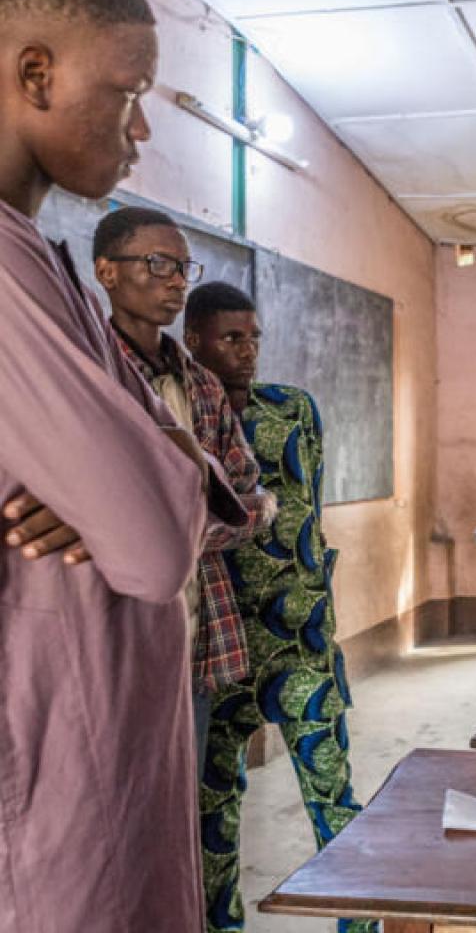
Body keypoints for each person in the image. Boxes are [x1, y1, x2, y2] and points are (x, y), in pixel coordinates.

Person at [0, 0, 243, 932]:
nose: (140, 132)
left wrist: (145, 473)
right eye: (127, 92)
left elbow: (160, 499)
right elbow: (148, 547)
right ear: (35, 73)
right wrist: (154, 480)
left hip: (113, 761)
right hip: (58, 786)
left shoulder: (47, 261)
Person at [184, 282, 374, 933]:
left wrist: (314, 598)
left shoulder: (293, 410)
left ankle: (360, 924)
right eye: (230, 338)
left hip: (301, 643)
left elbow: (309, 512)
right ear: (194, 342)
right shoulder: (181, 422)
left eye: (254, 336)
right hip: (220, 651)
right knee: (214, 813)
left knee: (333, 792)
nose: (247, 351)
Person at [93, 206, 274, 770]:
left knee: (182, 795)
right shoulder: (87, 374)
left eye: (182, 267)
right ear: (107, 272)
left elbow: (244, 492)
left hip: (196, 629)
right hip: (110, 627)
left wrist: (166, 525)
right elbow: (93, 508)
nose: (176, 280)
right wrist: (212, 513)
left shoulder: (199, 384)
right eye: (157, 263)